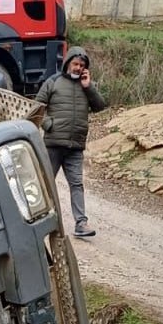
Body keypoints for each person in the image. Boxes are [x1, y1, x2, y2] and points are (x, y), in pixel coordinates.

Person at [34, 47, 107, 237]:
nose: (78, 68)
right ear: (67, 63)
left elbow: (100, 106)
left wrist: (88, 86)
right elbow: (36, 108)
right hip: (54, 144)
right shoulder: (53, 82)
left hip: (75, 146)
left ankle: (81, 224)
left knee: (77, 184)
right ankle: (39, 224)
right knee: (46, 184)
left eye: (81, 65)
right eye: (75, 64)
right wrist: (48, 124)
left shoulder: (87, 85)